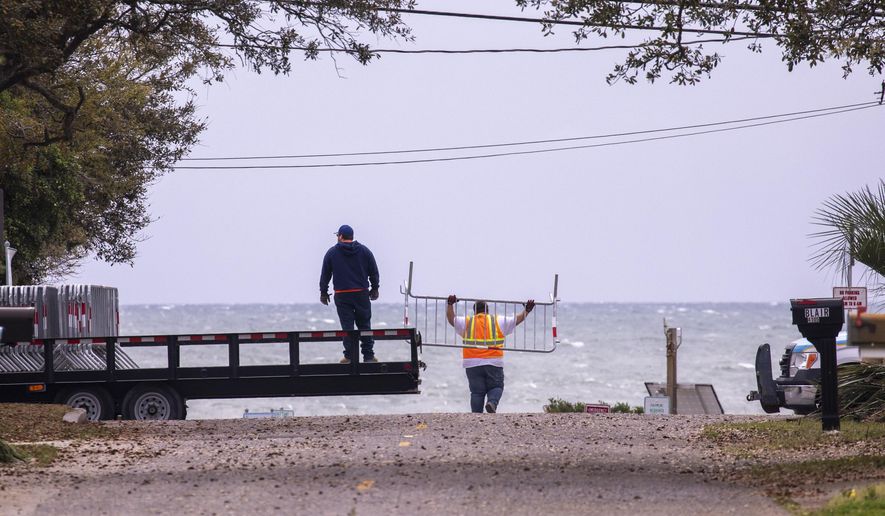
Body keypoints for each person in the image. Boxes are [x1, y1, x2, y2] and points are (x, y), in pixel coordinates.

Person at [445, 295, 534, 413]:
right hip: (493, 362)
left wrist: (450, 305)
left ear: (474, 311)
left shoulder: (467, 322)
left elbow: (452, 319)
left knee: (476, 392)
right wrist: (527, 310)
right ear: (487, 310)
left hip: (472, 363)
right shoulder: (497, 320)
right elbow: (516, 320)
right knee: (496, 387)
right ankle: (492, 402)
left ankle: (476, 415)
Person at [319, 224, 380, 364]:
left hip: (342, 294)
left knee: (347, 327)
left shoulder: (332, 253)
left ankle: (349, 356)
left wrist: (323, 292)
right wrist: (375, 288)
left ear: (340, 236)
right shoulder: (365, 251)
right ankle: (369, 356)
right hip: (361, 293)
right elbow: (373, 271)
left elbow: (325, 274)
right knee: (365, 325)